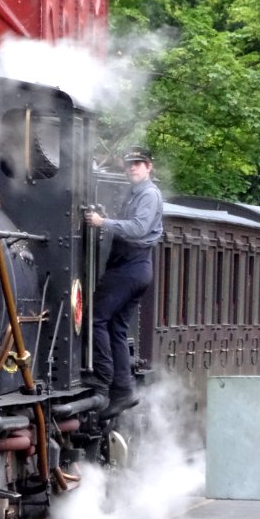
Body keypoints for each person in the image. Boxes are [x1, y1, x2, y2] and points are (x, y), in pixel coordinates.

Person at [84, 146, 163, 416]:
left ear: (148, 166)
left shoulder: (149, 194)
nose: (132, 168)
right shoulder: (135, 194)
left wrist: (102, 222)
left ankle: (104, 380)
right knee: (117, 327)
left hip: (130, 268)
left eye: (138, 164)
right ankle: (124, 389)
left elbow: (139, 228)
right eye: (129, 164)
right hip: (136, 268)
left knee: (95, 317)